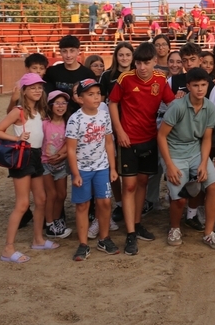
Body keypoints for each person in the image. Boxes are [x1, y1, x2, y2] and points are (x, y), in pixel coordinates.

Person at [108, 41, 176, 256]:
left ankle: (136, 224)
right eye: (138, 63)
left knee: (143, 183)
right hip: (128, 140)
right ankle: (129, 234)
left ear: (155, 61)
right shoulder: (125, 79)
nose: (142, 67)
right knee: (128, 185)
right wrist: (119, 132)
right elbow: (112, 103)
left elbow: (172, 103)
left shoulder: (161, 79)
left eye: (146, 63)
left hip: (149, 139)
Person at [157, 68, 215, 250]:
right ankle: (174, 228)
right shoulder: (177, 106)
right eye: (195, 85)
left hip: (195, 151)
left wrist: (204, 163)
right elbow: (161, 136)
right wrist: (169, 166)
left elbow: (207, 138)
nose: (200, 89)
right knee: (179, 198)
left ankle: (209, 233)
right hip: (174, 153)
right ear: (188, 87)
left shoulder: (209, 107)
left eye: (203, 85)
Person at [0, 73, 56, 263]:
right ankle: (8, 249)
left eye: (39, 87)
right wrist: (17, 138)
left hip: (35, 156)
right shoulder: (18, 111)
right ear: (24, 91)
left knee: (41, 199)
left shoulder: (38, 110)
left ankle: (38, 239)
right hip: (23, 156)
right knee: (22, 204)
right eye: (33, 87)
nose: (37, 90)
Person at [66, 78, 118, 261]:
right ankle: (83, 244)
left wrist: (112, 167)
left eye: (98, 93)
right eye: (90, 94)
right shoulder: (74, 120)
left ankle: (104, 238)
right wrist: (76, 173)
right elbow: (71, 149)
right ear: (80, 99)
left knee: (104, 203)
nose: (96, 98)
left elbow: (109, 142)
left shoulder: (104, 115)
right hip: (83, 169)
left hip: (102, 166)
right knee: (82, 205)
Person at [41, 91, 73, 240]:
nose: (61, 107)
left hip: (60, 164)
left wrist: (61, 155)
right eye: (57, 103)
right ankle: (49, 225)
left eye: (64, 103)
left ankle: (56, 220)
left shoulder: (69, 123)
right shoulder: (44, 124)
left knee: (62, 194)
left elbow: (69, 142)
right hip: (45, 164)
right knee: (51, 194)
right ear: (50, 105)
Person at [43, 35, 94, 114]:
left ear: (78, 51)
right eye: (64, 51)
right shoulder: (52, 72)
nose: (68, 55)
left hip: (79, 117)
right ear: (60, 52)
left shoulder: (88, 74)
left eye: (72, 51)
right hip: (57, 118)